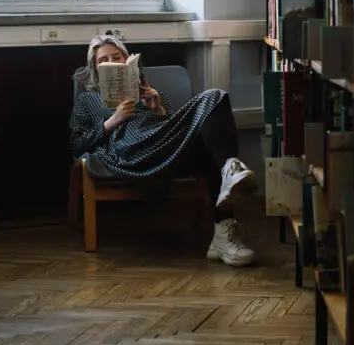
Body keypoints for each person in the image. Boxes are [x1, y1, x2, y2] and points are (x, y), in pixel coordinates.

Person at [69, 34, 258, 266]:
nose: (112, 62)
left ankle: (223, 233)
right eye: (103, 60)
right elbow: (77, 145)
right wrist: (111, 122)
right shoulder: (88, 100)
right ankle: (231, 171)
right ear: (96, 69)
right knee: (210, 130)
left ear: (127, 61)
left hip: (165, 148)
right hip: (130, 151)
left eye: (117, 57)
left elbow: (176, 128)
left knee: (215, 99)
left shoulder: (150, 92)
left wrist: (158, 109)